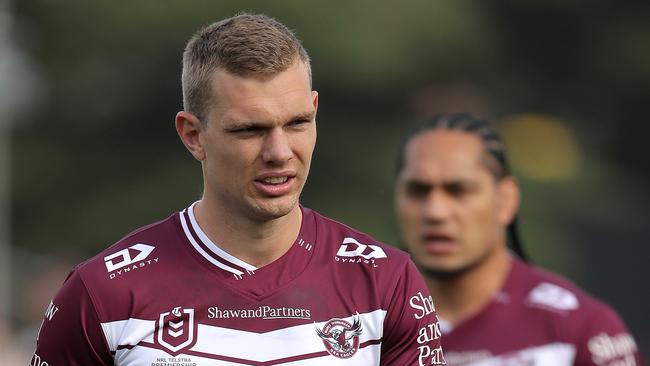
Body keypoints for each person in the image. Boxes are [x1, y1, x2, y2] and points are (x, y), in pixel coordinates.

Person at [30, 13, 445, 366]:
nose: (280, 152)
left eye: (297, 123)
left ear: (315, 111)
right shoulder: (103, 293)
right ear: (193, 135)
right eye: (250, 129)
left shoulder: (385, 283)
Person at [394, 113, 641, 365]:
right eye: (417, 190)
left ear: (506, 200)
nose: (435, 211)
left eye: (459, 191)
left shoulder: (580, 329)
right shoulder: (364, 322)